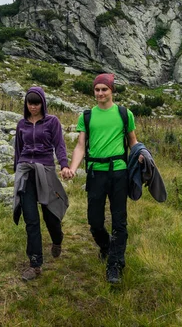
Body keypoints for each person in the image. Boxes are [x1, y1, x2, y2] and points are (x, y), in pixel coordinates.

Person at [62, 73, 140, 284]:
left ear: (111, 91)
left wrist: (141, 156)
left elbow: (133, 142)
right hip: (96, 172)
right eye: (97, 90)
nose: (100, 93)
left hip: (119, 172)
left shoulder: (125, 114)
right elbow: (80, 146)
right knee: (94, 221)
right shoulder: (86, 116)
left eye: (104, 89)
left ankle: (114, 265)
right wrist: (72, 168)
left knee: (119, 220)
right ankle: (106, 247)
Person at [13, 86, 71, 281]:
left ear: (43, 103)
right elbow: (18, 150)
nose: (33, 106)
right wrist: (17, 174)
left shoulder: (52, 122)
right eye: (30, 103)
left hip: (45, 171)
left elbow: (59, 145)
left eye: (36, 103)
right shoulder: (21, 124)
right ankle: (35, 264)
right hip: (26, 173)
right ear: (26, 104)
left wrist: (64, 165)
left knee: (50, 214)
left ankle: (57, 239)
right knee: (31, 219)